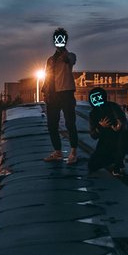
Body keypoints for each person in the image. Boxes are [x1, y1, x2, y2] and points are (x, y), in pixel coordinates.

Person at [41, 27, 78, 164]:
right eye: (57, 39)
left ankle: (73, 152)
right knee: (52, 124)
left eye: (62, 39)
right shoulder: (50, 60)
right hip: (52, 95)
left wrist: (64, 52)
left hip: (66, 92)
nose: (59, 41)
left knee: (70, 123)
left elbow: (70, 60)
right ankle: (57, 151)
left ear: (65, 41)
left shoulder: (70, 56)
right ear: (54, 40)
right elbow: (47, 76)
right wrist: (45, 92)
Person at [87, 87, 128, 177]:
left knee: (122, 137)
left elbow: (123, 122)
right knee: (92, 165)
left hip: (121, 139)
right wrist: (101, 127)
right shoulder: (93, 114)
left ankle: (118, 164)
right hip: (106, 142)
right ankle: (113, 159)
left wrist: (119, 125)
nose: (96, 101)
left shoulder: (113, 106)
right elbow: (93, 135)